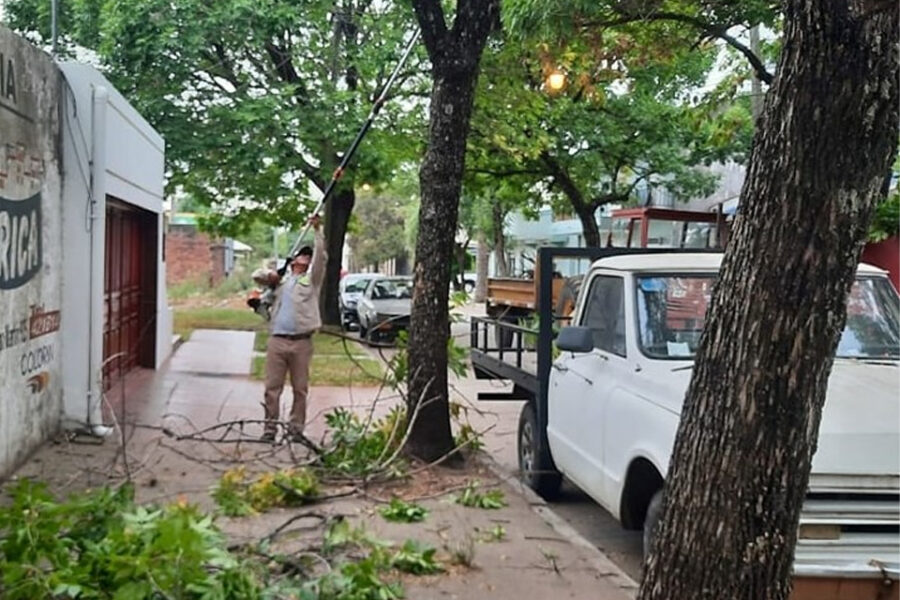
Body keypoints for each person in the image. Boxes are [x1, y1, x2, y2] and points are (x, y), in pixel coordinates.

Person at [260, 215, 327, 442]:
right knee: (272, 388)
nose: (305, 258)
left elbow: (322, 258)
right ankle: (269, 430)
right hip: (277, 340)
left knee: (300, 389)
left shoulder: (311, 281)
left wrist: (317, 230)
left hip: (301, 342)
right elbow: (257, 277)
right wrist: (272, 276)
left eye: (308, 256)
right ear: (293, 260)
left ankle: (295, 430)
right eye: (301, 254)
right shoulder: (281, 281)